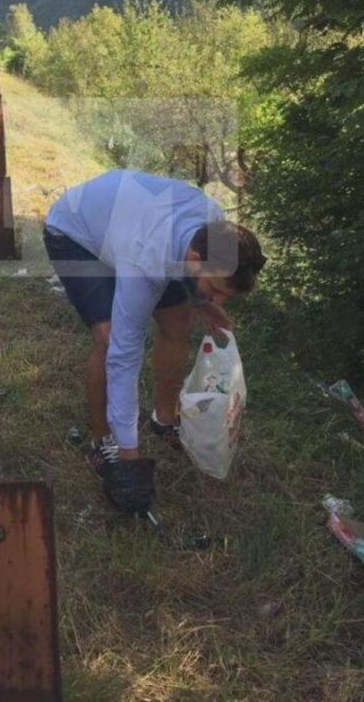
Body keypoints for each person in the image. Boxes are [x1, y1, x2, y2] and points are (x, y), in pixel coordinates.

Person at [43, 169, 266, 514]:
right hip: (76, 230)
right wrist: (130, 454)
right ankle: (104, 442)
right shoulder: (146, 259)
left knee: (179, 322)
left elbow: (196, 283)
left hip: (133, 223)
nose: (219, 302)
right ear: (194, 260)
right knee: (110, 338)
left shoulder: (216, 228)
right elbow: (124, 358)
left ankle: (164, 419)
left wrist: (204, 302)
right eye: (215, 291)